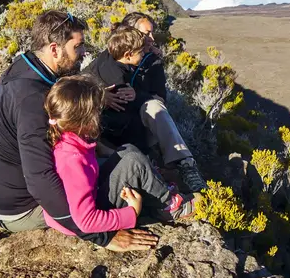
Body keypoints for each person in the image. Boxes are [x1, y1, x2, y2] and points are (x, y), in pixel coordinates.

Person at [0, 10, 159, 251]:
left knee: (117, 159)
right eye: (77, 47)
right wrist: (103, 237)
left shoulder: (26, 67)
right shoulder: (33, 101)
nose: (83, 53)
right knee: (124, 177)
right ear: (55, 49)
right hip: (15, 208)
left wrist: (98, 97)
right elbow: (40, 180)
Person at [42, 75, 195, 237]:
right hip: (86, 218)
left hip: (93, 195)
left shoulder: (70, 138)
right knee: (134, 162)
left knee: (127, 151)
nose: (100, 114)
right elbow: (85, 221)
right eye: (96, 110)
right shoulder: (72, 159)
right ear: (86, 119)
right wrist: (131, 212)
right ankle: (170, 206)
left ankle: (156, 189)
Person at [85, 13, 207, 193]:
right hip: (109, 125)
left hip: (139, 122)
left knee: (154, 106)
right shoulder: (109, 59)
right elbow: (78, 85)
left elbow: (160, 97)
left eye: (152, 33)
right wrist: (100, 96)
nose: (151, 38)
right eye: (146, 34)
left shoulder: (153, 61)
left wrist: (138, 95)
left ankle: (185, 164)